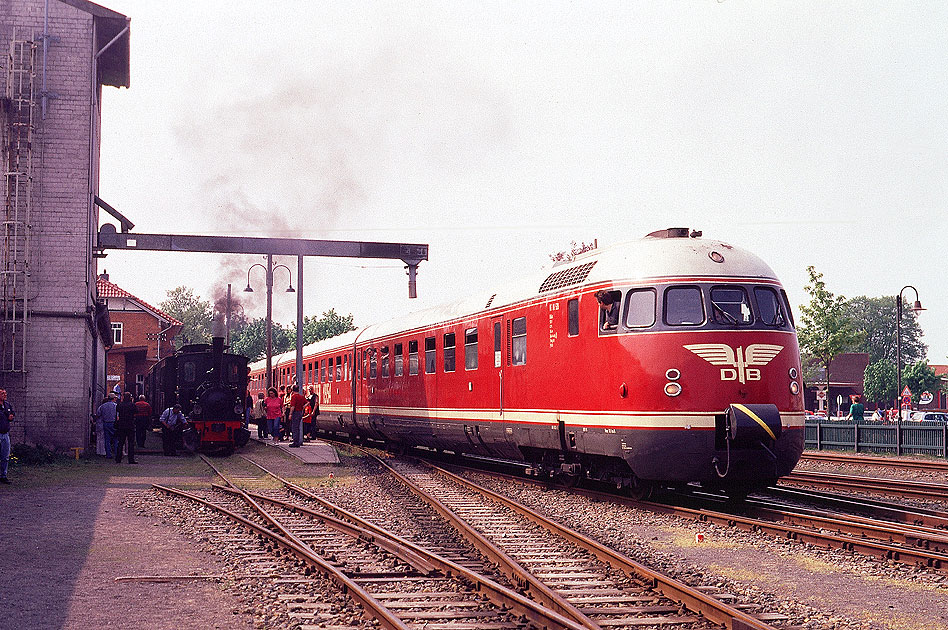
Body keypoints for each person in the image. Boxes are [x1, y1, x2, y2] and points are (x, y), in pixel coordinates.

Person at [114, 392, 138, 464]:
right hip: (130, 425)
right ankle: (131, 459)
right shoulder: (132, 405)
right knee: (131, 443)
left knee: (120, 442)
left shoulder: (120, 404)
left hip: (121, 425)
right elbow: (136, 411)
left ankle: (118, 459)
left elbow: (117, 411)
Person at [96, 394, 118, 459]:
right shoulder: (115, 406)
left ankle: (108, 454)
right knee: (115, 439)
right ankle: (117, 454)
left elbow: (98, 414)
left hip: (105, 423)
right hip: (114, 423)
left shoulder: (102, 406)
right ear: (113, 398)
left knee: (107, 439)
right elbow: (118, 416)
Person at [0, 389, 14, 484]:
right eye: (2, 393)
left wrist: (11, 416)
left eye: (5, 393)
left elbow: (12, 414)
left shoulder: (7, 405)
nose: (5, 395)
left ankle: (3, 476)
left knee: (5, 456)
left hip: (5, 434)